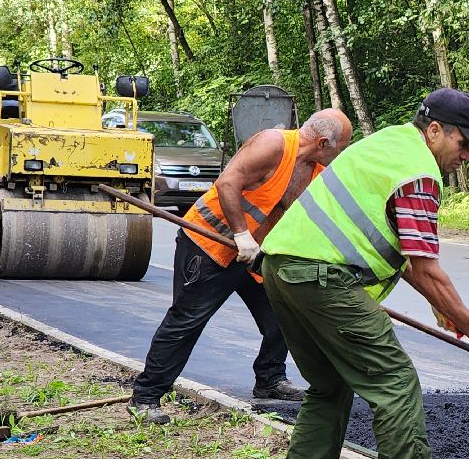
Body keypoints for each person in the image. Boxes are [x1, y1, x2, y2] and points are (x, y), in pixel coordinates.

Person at [258, 89, 469, 459]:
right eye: (464, 143)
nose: (468, 155)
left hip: (283, 267)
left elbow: (402, 252)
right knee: (395, 383)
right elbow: (424, 266)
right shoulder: (417, 172)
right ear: (435, 130)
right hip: (324, 278)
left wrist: (447, 307)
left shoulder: (389, 143)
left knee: (330, 385)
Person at [129, 109, 353, 424]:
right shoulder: (273, 145)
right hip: (210, 245)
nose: (343, 154)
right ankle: (146, 396)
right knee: (187, 320)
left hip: (254, 255)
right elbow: (227, 183)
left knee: (288, 312)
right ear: (324, 142)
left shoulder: (316, 169)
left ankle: (270, 379)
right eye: (342, 147)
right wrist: (242, 235)